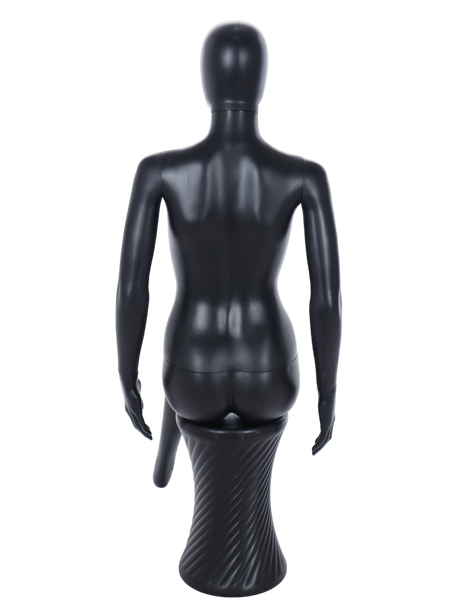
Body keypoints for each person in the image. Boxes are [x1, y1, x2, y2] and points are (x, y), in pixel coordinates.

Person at [112, 17, 344, 490]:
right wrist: (329, 396)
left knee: (179, 368)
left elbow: (131, 291)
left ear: (204, 78)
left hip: (190, 371)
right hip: (269, 371)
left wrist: (126, 378)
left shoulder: (158, 169)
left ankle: (165, 471)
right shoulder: (305, 174)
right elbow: (326, 299)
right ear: (263, 81)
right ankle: (194, 492)